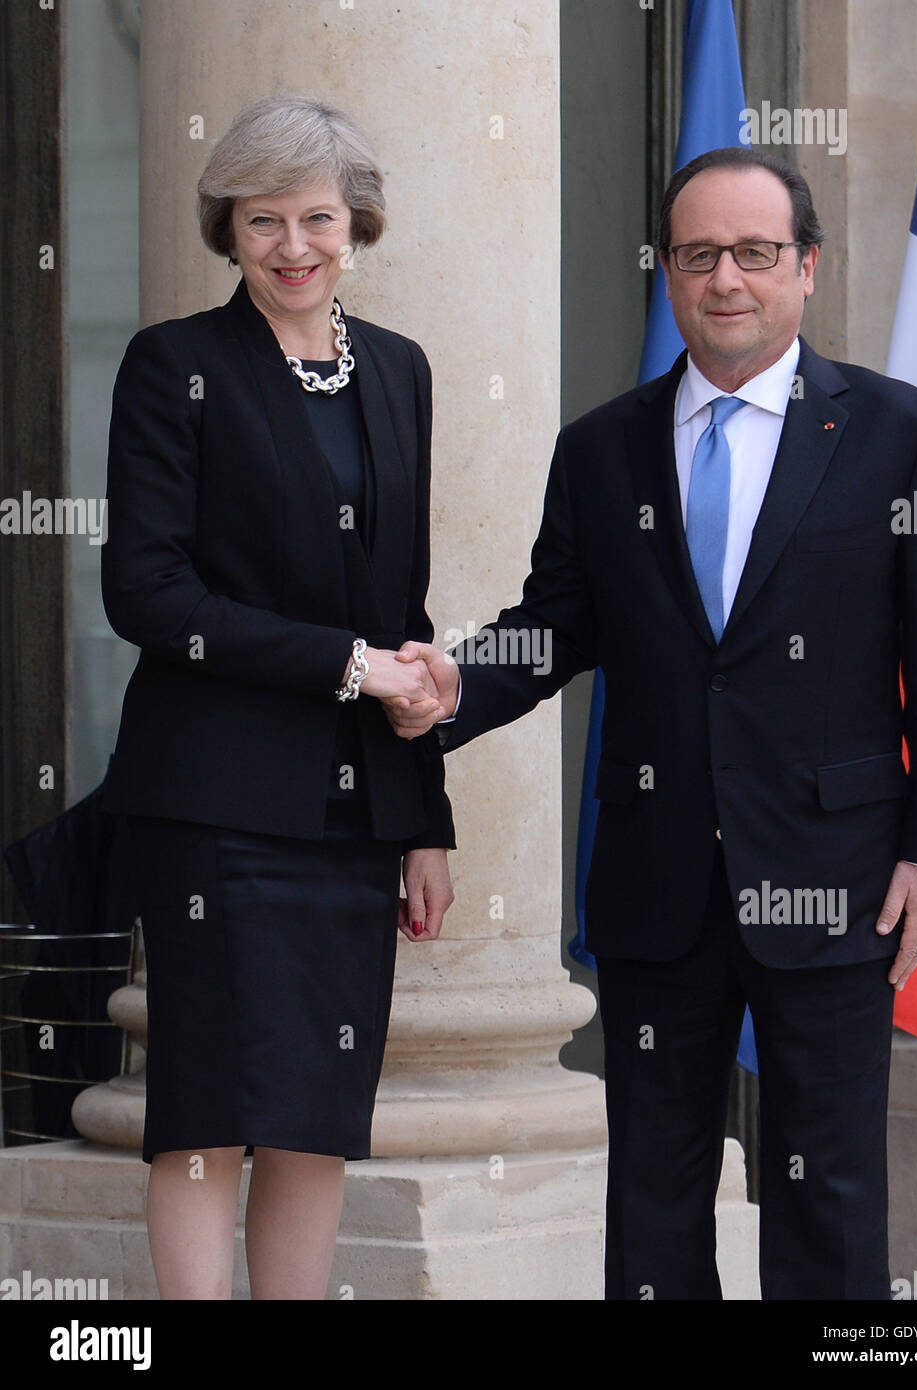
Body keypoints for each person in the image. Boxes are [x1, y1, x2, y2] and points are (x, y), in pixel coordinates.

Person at [385, 146, 917, 1300]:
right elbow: (555, 622)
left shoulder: (902, 433)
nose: (726, 278)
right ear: (666, 272)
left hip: (836, 879)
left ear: (804, 268)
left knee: (830, 1197)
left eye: (755, 253)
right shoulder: (601, 446)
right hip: (658, 882)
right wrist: (458, 684)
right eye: (698, 253)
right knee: (654, 1199)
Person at [100, 94, 454, 1300]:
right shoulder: (174, 367)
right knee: (206, 1108)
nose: (294, 245)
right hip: (212, 803)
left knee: (314, 1109)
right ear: (229, 228)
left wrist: (422, 820)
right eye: (264, 220)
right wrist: (346, 666)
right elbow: (146, 593)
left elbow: (401, 609)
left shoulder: (399, 372)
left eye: (317, 216)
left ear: (356, 222)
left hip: (353, 822)